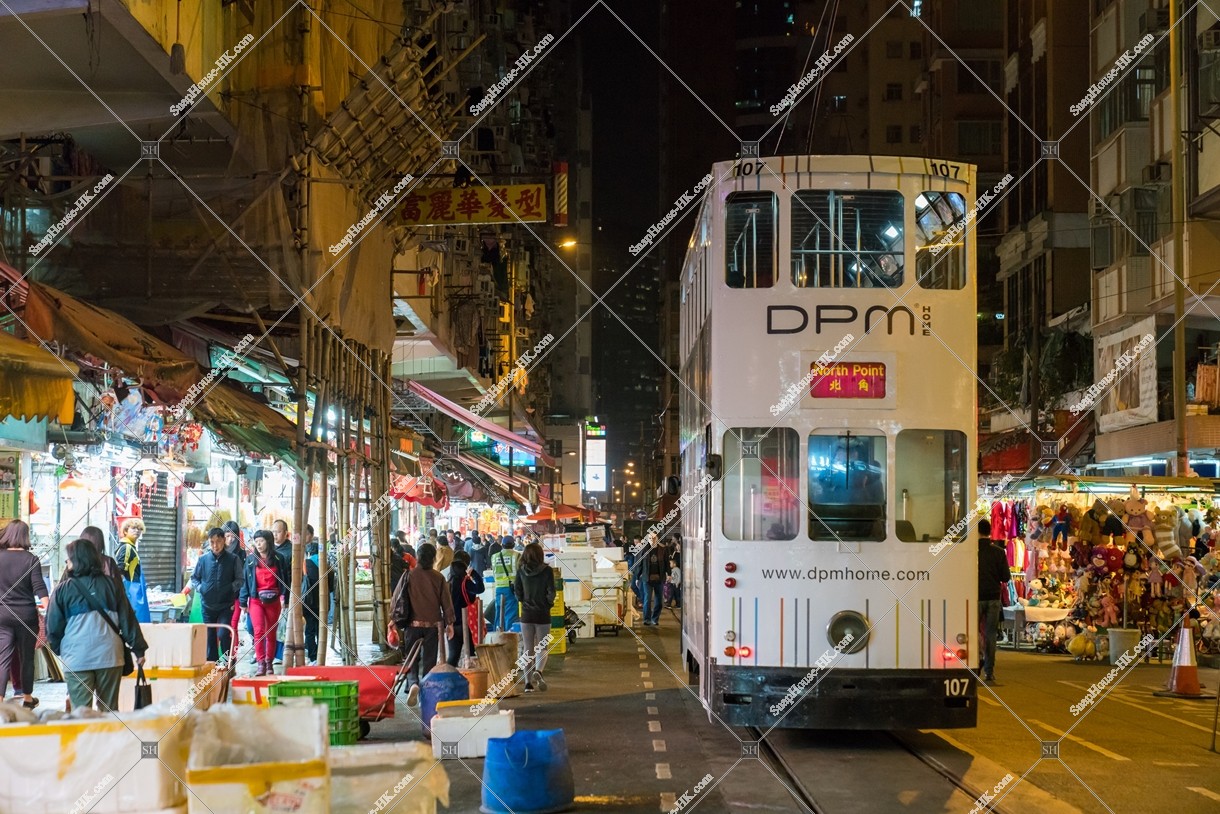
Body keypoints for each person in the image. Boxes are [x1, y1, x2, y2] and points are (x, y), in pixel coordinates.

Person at [47, 538, 147, 712]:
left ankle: (86, 739)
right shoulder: (112, 585)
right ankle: (107, 739)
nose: (67, 562)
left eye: (68, 558)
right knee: (109, 712)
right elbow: (127, 618)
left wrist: (62, 651)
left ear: (77, 560)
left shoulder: (62, 590)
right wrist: (138, 649)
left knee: (81, 714)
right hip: (110, 656)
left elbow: (53, 628)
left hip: (77, 658)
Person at [391, 543, 454, 706]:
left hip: (412, 624)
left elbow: (396, 599)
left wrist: (392, 620)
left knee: (411, 659)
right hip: (433, 626)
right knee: (429, 660)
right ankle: (425, 694)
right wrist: (450, 624)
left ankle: (413, 683)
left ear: (418, 557)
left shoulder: (408, 576)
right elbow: (446, 602)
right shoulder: (438, 577)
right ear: (433, 558)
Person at [0, 521, 49, 709]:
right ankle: (28, 699)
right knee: (26, 657)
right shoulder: (31, 559)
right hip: (26, 616)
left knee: (2, 658)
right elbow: (39, 587)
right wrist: (49, 608)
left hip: (2, 615)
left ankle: (0, 701)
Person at [188, 528, 243, 665]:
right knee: (210, 637)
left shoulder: (233, 559)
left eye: (218, 541)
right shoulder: (203, 559)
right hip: (207, 605)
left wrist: (230, 588)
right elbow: (194, 578)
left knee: (223, 634)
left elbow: (240, 580)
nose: (215, 545)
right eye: (212, 542)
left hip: (226, 605)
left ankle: (228, 664)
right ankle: (212, 666)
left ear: (224, 541)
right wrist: (201, 588)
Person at [239, 530, 289, 676]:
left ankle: (269, 663)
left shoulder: (279, 559)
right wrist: (243, 601)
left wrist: (285, 598)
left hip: (274, 601)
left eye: (261, 541)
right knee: (259, 631)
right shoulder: (250, 560)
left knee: (271, 633)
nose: (258, 544)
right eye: (256, 541)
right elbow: (245, 582)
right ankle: (261, 663)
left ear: (268, 541)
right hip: (256, 601)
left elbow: (285, 579)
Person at [513, 542, 555, 692]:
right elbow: (551, 591)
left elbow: (517, 591)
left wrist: (524, 601)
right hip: (543, 613)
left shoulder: (521, 571)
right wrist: (548, 604)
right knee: (542, 646)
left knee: (528, 648)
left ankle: (527, 683)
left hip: (526, 614)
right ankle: (539, 671)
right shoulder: (547, 571)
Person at [977, 519, 1011, 683]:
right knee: (990, 634)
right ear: (990, 532)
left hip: (974, 596)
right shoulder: (998, 552)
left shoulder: (970, 552)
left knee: (971, 632)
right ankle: (989, 672)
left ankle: (974, 664)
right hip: (993, 597)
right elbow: (1006, 577)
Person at [447, 551, 484, 666]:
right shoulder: (465, 582)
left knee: (453, 655)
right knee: (470, 654)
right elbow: (480, 588)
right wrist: (474, 574)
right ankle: (471, 678)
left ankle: (448, 676)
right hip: (463, 623)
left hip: (450, 624)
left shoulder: (448, 581)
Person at [114, 518, 152, 623]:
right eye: (133, 528)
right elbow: (120, 569)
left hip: (135, 589)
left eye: (139, 528)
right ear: (125, 531)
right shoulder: (126, 547)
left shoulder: (130, 547)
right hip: (132, 590)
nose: (137, 531)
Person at [79, 526, 126, 599]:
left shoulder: (74, 562)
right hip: (106, 607)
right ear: (101, 542)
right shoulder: (109, 562)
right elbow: (120, 590)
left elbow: (62, 590)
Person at [490, 537, 520, 632]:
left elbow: (494, 572)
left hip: (498, 588)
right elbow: (520, 572)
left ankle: (497, 636)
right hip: (511, 588)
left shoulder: (494, 557)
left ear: (502, 545)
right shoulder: (517, 555)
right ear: (513, 545)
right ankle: (508, 636)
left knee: (499, 613)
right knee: (510, 613)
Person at [640, 542, 669, 626]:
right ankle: (647, 619)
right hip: (647, 578)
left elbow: (666, 562)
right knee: (647, 599)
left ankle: (655, 619)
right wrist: (637, 577)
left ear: (657, 538)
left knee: (659, 600)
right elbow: (640, 563)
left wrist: (669, 574)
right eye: (650, 538)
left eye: (654, 537)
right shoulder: (644, 549)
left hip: (659, 578)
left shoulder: (662, 549)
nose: (652, 540)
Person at [302, 536, 321, 664]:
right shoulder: (324, 563)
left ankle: (313, 656)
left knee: (309, 629)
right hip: (322, 602)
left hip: (307, 602)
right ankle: (320, 654)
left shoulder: (305, 564)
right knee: (320, 629)